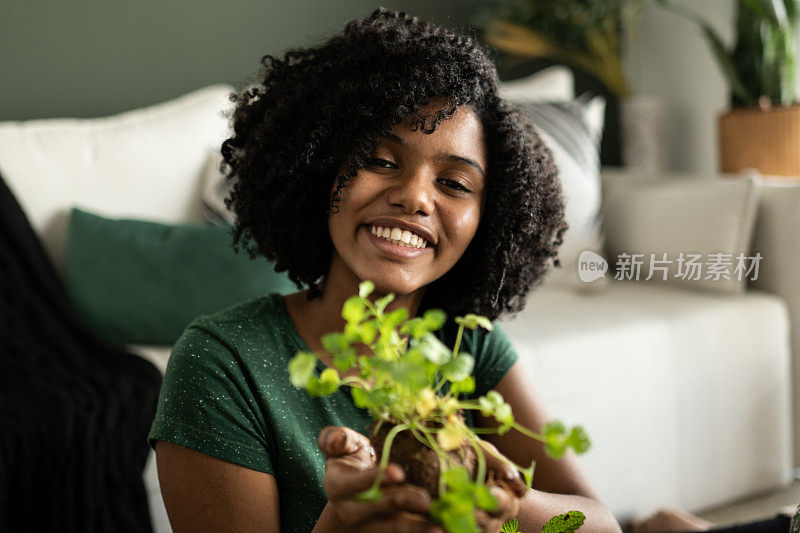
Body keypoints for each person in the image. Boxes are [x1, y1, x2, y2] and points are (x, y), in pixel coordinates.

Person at [149, 8, 781, 533]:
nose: (417, 198)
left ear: (487, 217)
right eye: (380, 158)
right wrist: (339, 525)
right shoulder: (221, 363)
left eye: (454, 182)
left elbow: (596, 523)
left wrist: (499, 499)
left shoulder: (466, 341)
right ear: (318, 165)